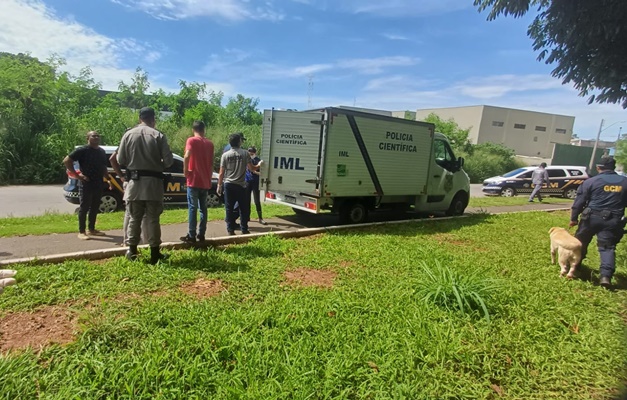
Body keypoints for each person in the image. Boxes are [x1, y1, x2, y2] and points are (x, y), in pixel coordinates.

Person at [116, 107, 174, 264]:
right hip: (154, 184)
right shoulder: (158, 135)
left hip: (134, 184)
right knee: (153, 219)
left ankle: (132, 251)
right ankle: (155, 254)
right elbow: (169, 162)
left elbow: (121, 159)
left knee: (134, 218)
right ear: (153, 119)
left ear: (139, 118)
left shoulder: (127, 135)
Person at [569, 156, 627, 288]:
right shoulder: (625, 182)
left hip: (590, 219)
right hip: (613, 220)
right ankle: (605, 277)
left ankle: (575, 267)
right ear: (613, 167)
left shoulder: (591, 182)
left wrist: (573, 218)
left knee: (580, 244)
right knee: (607, 248)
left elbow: (579, 202)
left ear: (598, 167)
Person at [63, 131, 109, 240]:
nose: (96, 137)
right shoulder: (82, 150)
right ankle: (81, 231)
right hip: (86, 183)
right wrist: (78, 176)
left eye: (98, 135)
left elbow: (103, 167)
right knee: (84, 207)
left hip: (98, 182)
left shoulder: (101, 151)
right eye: (94, 136)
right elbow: (66, 161)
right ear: (87, 138)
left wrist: (108, 179)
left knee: (95, 207)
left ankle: (92, 229)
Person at [180, 121, 215, 243]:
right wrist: (209, 178)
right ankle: (202, 234)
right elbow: (211, 164)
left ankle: (191, 235)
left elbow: (186, 156)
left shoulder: (191, 141)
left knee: (192, 208)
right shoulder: (210, 144)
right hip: (205, 181)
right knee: (203, 209)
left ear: (193, 129)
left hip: (194, 180)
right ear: (203, 129)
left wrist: (186, 172)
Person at [217, 133, 255, 235]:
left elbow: (221, 172)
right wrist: (259, 165)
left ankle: (230, 230)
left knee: (229, 208)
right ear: (239, 142)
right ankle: (244, 229)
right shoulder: (245, 153)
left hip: (228, 184)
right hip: (241, 185)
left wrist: (219, 186)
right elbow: (251, 168)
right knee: (243, 208)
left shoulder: (225, 155)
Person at [109, 150, 148, 246]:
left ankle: (129, 240)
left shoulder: (128, 142)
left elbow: (112, 159)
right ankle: (137, 241)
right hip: (136, 180)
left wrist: (122, 176)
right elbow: (112, 159)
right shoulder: (131, 142)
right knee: (138, 212)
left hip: (131, 180)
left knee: (130, 212)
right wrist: (121, 176)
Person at [245, 146, 266, 225]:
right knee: (247, 200)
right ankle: (247, 217)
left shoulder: (258, 160)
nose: (250, 155)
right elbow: (249, 169)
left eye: (252, 153)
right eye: (249, 153)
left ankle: (260, 218)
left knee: (257, 200)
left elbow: (261, 172)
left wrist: (257, 172)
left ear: (255, 153)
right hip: (247, 182)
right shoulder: (247, 159)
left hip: (256, 182)